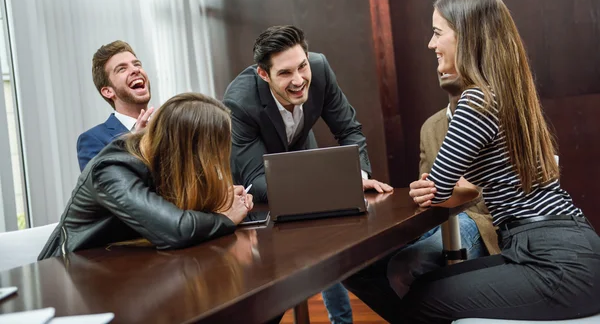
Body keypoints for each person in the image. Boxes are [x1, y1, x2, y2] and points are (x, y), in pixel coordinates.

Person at [393, 0, 600, 323]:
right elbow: (469, 187)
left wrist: (429, 188)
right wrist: (438, 187)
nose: (431, 44)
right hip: (572, 248)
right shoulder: (509, 95)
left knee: (422, 301)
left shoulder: (475, 101)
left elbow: (439, 189)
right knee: (427, 288)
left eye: (437, 33)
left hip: (554, 260)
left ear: (465, 35)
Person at [223, 25, 393, 324]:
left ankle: (341, 320)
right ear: (264, 74)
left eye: (302, 66)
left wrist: (359, 175)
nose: (299, 80)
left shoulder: (320, 68)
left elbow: (349, 130)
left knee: (329, 244)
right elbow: (257, 180)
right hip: (258, 182)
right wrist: (329, 188)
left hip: (302, 154)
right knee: (274, 275)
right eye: (285, 73)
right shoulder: (239, 102)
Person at [343, 75, 499, 322]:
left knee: (406, 267)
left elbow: (503, 186)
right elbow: (430, 195)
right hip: (439, 219)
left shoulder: (493, 110)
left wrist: (464, 190)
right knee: (352, 267)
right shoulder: (430, 126)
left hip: (480, 218)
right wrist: (423, 190)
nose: (440, 65)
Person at [39, 93, 252, 259]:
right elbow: (175, 229)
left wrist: (222, 199)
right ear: (190, 149)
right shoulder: (110, 170)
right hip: (74, 278)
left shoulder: (161, 158)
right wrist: (225, 217)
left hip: (126, 268)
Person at [77, 40, 155, 171]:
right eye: (122, 69)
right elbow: (109, 188)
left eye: (137, 64)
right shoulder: (92, 140)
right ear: (108, 91)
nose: (135, 70)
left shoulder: (167, 128)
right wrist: (136, 143)